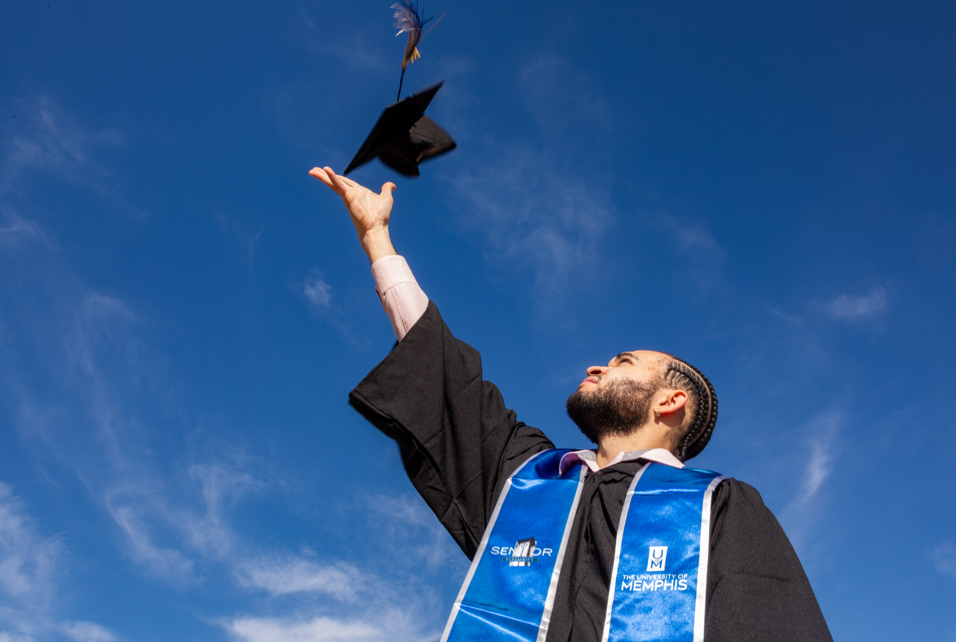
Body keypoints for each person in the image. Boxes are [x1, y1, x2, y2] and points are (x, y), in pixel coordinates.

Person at [310, 166, 833, 642]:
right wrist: (378, 240)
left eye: (624, 362)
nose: (596, 366)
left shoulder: (718, 506)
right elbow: (448, 378)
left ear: (671, 401)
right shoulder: (531, 477)